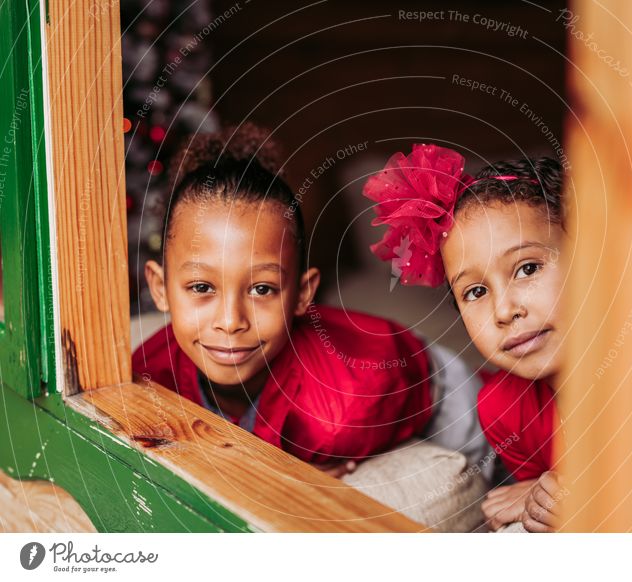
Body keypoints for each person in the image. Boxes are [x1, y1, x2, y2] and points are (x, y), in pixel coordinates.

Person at [133, 126, 487, 477]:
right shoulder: (149, 369)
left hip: (431, 383)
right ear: (160, 288)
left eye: (261, 289)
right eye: (200, 287)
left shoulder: (337, 414)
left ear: (303, 294)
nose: (230, 321)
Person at [364, 144, 566, 530]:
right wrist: (540, 493)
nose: (504, 310)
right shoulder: (505, 408)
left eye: (527, 268)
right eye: (475, 292)